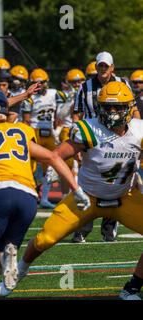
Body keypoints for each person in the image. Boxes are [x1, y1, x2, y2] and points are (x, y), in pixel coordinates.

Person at [6, 81, 143, 299]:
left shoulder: (138, 129)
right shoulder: (89, 128)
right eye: (108, 107)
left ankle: (132, 288)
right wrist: (66, 180)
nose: (113, 112)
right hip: (86, 199)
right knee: (45, 239)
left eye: (118, 107)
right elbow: (57, 155)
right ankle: (20, 268)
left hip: (123, 197)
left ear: (129, 107)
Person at [0, 85, 89, 300]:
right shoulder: (22, 130)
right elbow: (53, 157)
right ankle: (6, 261)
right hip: (28, 199)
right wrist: (77, 189)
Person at [72, 51, 131, 242]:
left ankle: (109, 228)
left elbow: (132, 108)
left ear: (112, 67)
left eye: (106, 66)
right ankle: (82, 227)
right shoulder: (85, 87)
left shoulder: (123, 83)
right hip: (92, 136)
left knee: (114, 180)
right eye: (100, 66)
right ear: (96, 67)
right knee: (89, 181)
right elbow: (77, 114)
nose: (103, 69)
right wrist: (77, 143)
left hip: (117, 136)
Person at [22, 68, 67, 209]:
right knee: (32, 167)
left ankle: (45, 198)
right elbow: (26, 120)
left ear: (47, 82)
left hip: (50, 133)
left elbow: (60, 115)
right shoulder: (29, 97)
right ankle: (31, 195)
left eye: (41, 83)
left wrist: (57, 130)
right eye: (36, 83)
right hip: (35, 132)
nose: (39, 86)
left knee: (51, 166)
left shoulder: (56, 94)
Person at [54, 69, 86, 197]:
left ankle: (83, 192)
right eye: (74, 82)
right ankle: (65, 195)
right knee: (66, 164)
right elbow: (60, 115)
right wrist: (71, 101)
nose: (77, 84)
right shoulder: (64, 95)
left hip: (86, 129)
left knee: (84, 164)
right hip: (68, 129)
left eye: (79, 81)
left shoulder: (89, 92)